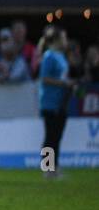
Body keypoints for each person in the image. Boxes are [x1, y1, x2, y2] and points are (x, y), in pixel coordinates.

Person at [37, 28, 73, 179]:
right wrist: (64, 83)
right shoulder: (49, 56)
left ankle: (54, 167)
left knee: (57, 136)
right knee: (50, 136)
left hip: (61, 102)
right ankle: (47, 169)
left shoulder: (61, 56)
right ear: (56, 40)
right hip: (49, 102)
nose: (66, 41)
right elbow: (44, 78)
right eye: (63, 38)